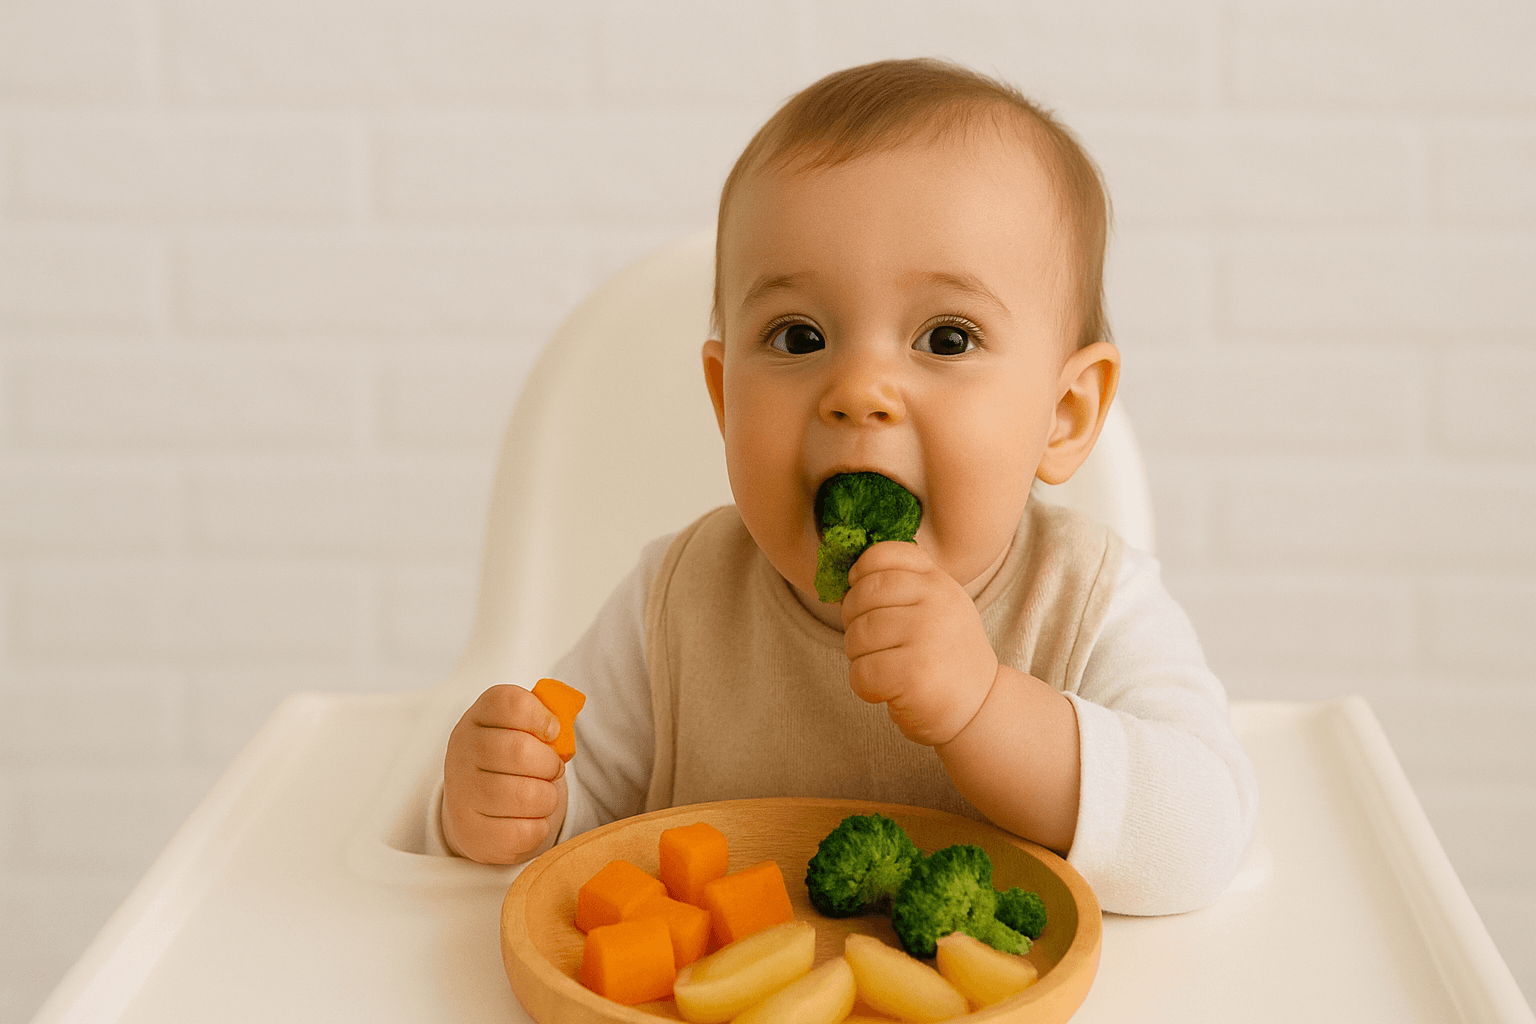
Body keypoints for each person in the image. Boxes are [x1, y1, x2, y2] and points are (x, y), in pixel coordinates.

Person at [430, 58, 1257, 916]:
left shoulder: (1089, 600)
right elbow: (579, 835)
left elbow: (1203, 837)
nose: (859, 389)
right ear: (724, 398)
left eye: (945, 338)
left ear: (1066, 413)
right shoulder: (677, 604)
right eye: (797, 338)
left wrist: (986, 710)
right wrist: (502, 806)